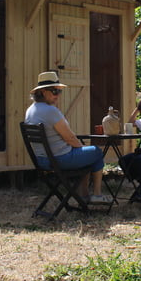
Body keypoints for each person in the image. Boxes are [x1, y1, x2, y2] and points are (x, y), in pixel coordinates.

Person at [24, 71, 110, 205]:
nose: (58, 95)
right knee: (96, 152)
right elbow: (69, 138)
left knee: (87, 155)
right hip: (59, 159)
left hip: (42, 160)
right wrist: (81, 149)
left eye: (59, 91)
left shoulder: (30, 110)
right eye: (54, 91)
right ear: (43, 92)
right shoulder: (50, 111)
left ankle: (84, 196)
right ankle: (96, 194)